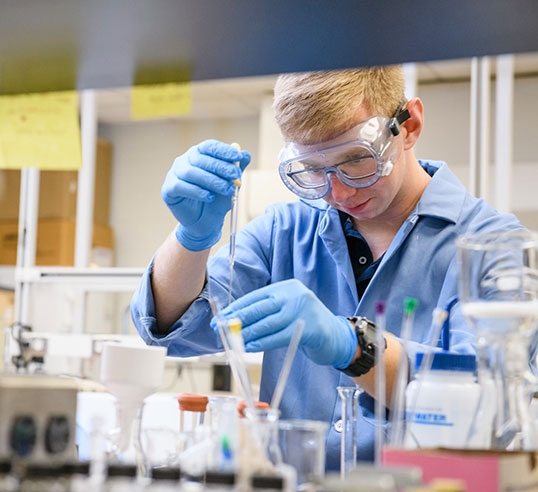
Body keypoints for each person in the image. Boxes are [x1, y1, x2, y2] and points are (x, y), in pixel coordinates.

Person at [131, 66, 523, 468]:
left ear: (409, 126)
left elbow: (486, 399)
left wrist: (354, 347)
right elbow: (175, 327)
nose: (338, 191)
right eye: (313, 170)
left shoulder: (491, 244)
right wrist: (191, 238)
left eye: (356, 159)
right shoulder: (284, 230)